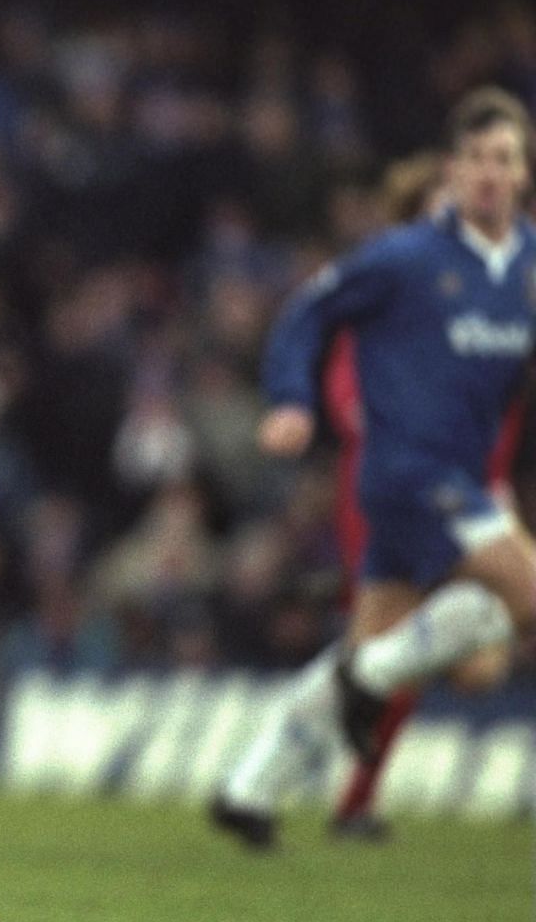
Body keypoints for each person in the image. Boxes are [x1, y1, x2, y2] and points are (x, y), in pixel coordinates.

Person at [211, 87, 536, 848]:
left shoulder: (526, 268)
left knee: (446, 658)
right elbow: (306, 312)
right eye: (478, 158)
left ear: (523, 174)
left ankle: (248, 787)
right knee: (522, 592)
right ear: (453, 169)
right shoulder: (406, 257)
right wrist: (293, 398)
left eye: (507, 159)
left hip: (463, 481)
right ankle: (370, 683)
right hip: (407, 474)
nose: (491, 173)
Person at [317, 152, 526, 840]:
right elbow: (349, 401)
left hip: (476, 493)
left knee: (475, 664)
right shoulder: (388, 301)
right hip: (398, 491)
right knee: (408, 647)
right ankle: (350, 799)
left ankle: (335, 716)